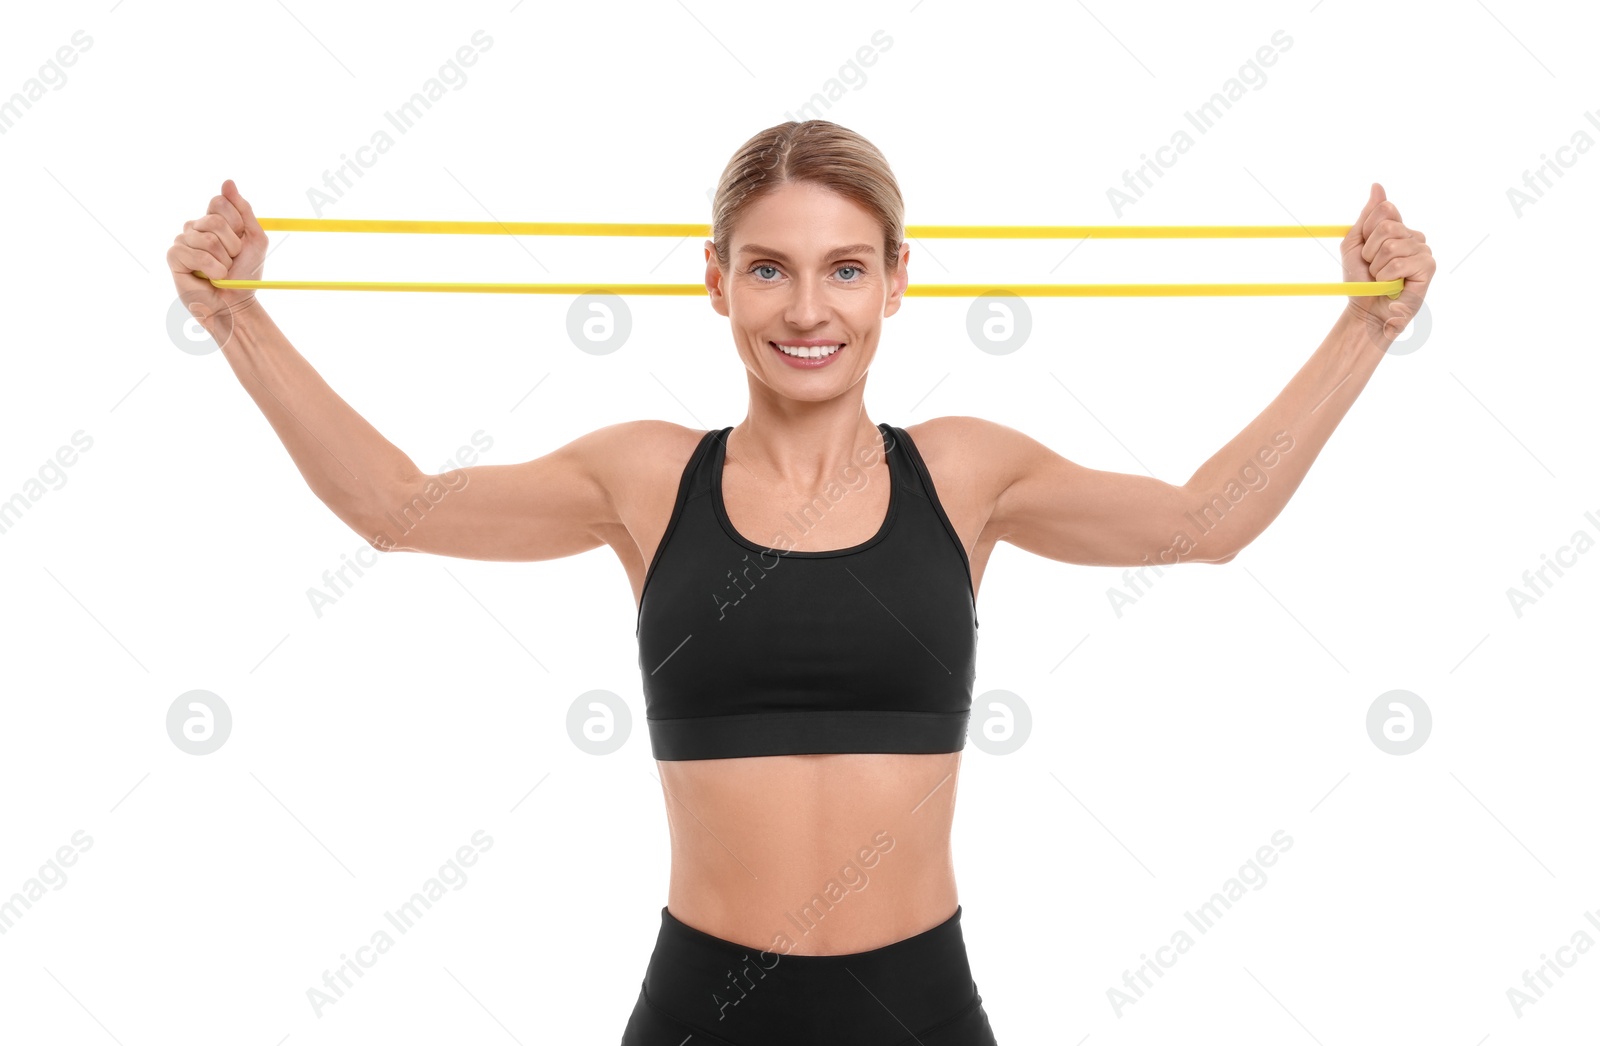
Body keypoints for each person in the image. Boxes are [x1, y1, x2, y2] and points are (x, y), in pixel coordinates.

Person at [166, 119, 1434, 1044]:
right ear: (713, 282)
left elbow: (1201, 518)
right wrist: (238, 317)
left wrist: (1366, 324)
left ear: (895, 281)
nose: (806, 307)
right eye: (767, 267)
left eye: (843, 267)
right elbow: (395, 504)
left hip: (920, 1005)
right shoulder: (646, 476)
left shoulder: (965, 469)